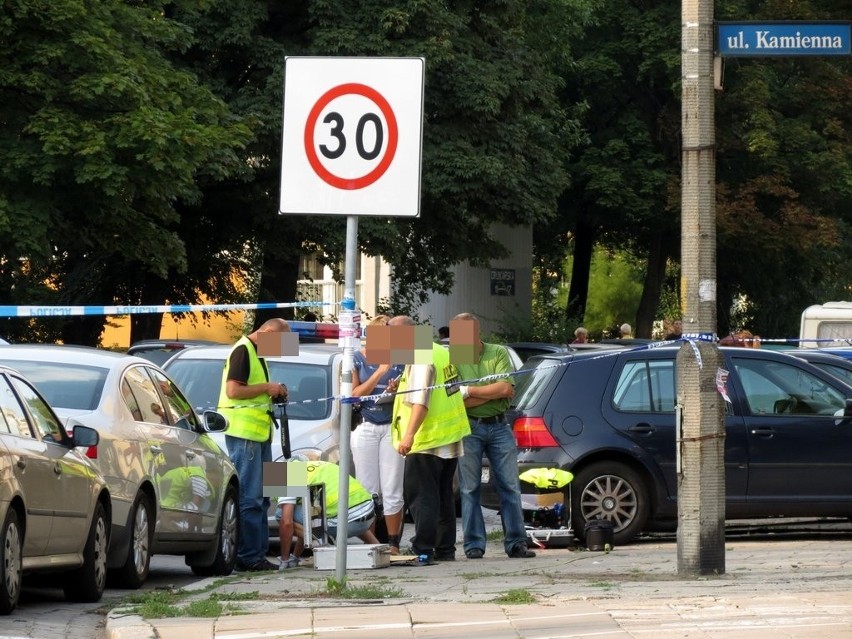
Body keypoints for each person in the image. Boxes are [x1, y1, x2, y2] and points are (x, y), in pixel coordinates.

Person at [452, 312, 536, 560]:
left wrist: (469, 391)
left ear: (477, 333)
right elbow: (454, 399)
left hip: (500, 426)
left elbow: (506, 388)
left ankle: (516, 543)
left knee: (510, 486)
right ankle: (474, 544)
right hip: (469, 427)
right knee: (469, 488)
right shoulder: (456, 356)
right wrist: (489, 393)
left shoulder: (497, 352)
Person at [390, 315, 470, 563]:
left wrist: (409, 436)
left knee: (422, 496)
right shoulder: (438, 351)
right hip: (448, 437)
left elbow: (421, 401)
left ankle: (423, 548)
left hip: (427, 439)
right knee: (443, 496)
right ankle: (445, 549)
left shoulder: (420, 356)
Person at [218, 318, 290, 572]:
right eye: (280, 342)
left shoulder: (257, 354)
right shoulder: (243, 350)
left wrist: (274, 391)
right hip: (245, 435)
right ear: (268, 332)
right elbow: (233, 391)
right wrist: (267, 387)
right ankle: (249, 556)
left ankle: (255, 555)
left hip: (259, 435)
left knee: (261, 498)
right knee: (250, 497)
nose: (280, 348)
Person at [350, 315, 405, 554]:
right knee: (367, 488)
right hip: (366, 426)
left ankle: (393, 543)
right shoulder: (357, 358)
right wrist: (379, 372)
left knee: (392, 488)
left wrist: (396, 388)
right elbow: (354, 394)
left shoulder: (402, 358)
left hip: (393, 426)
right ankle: (370, 544)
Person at [275, 460, 380, 559]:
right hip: (367, 516)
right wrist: (295, 557)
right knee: (319, 508)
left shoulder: (287, 475)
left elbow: (287, 523)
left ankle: (322, 542)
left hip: (345, 523)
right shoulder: (316, 466)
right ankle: (378, 546)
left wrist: (285, 559)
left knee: (281, 514)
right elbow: (306, 522)